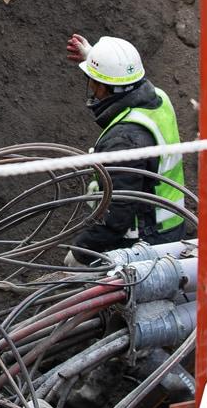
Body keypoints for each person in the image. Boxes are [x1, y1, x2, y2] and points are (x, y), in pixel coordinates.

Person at [65, 34, 187, 259]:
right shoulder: (158, 99)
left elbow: (115, 219)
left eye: (94, 80)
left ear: (104, 87)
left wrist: (81, 252)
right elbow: (125, 75)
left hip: (144, 245)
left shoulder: (123, 142)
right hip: (172, 228)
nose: (91, 86)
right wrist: (95, 58)